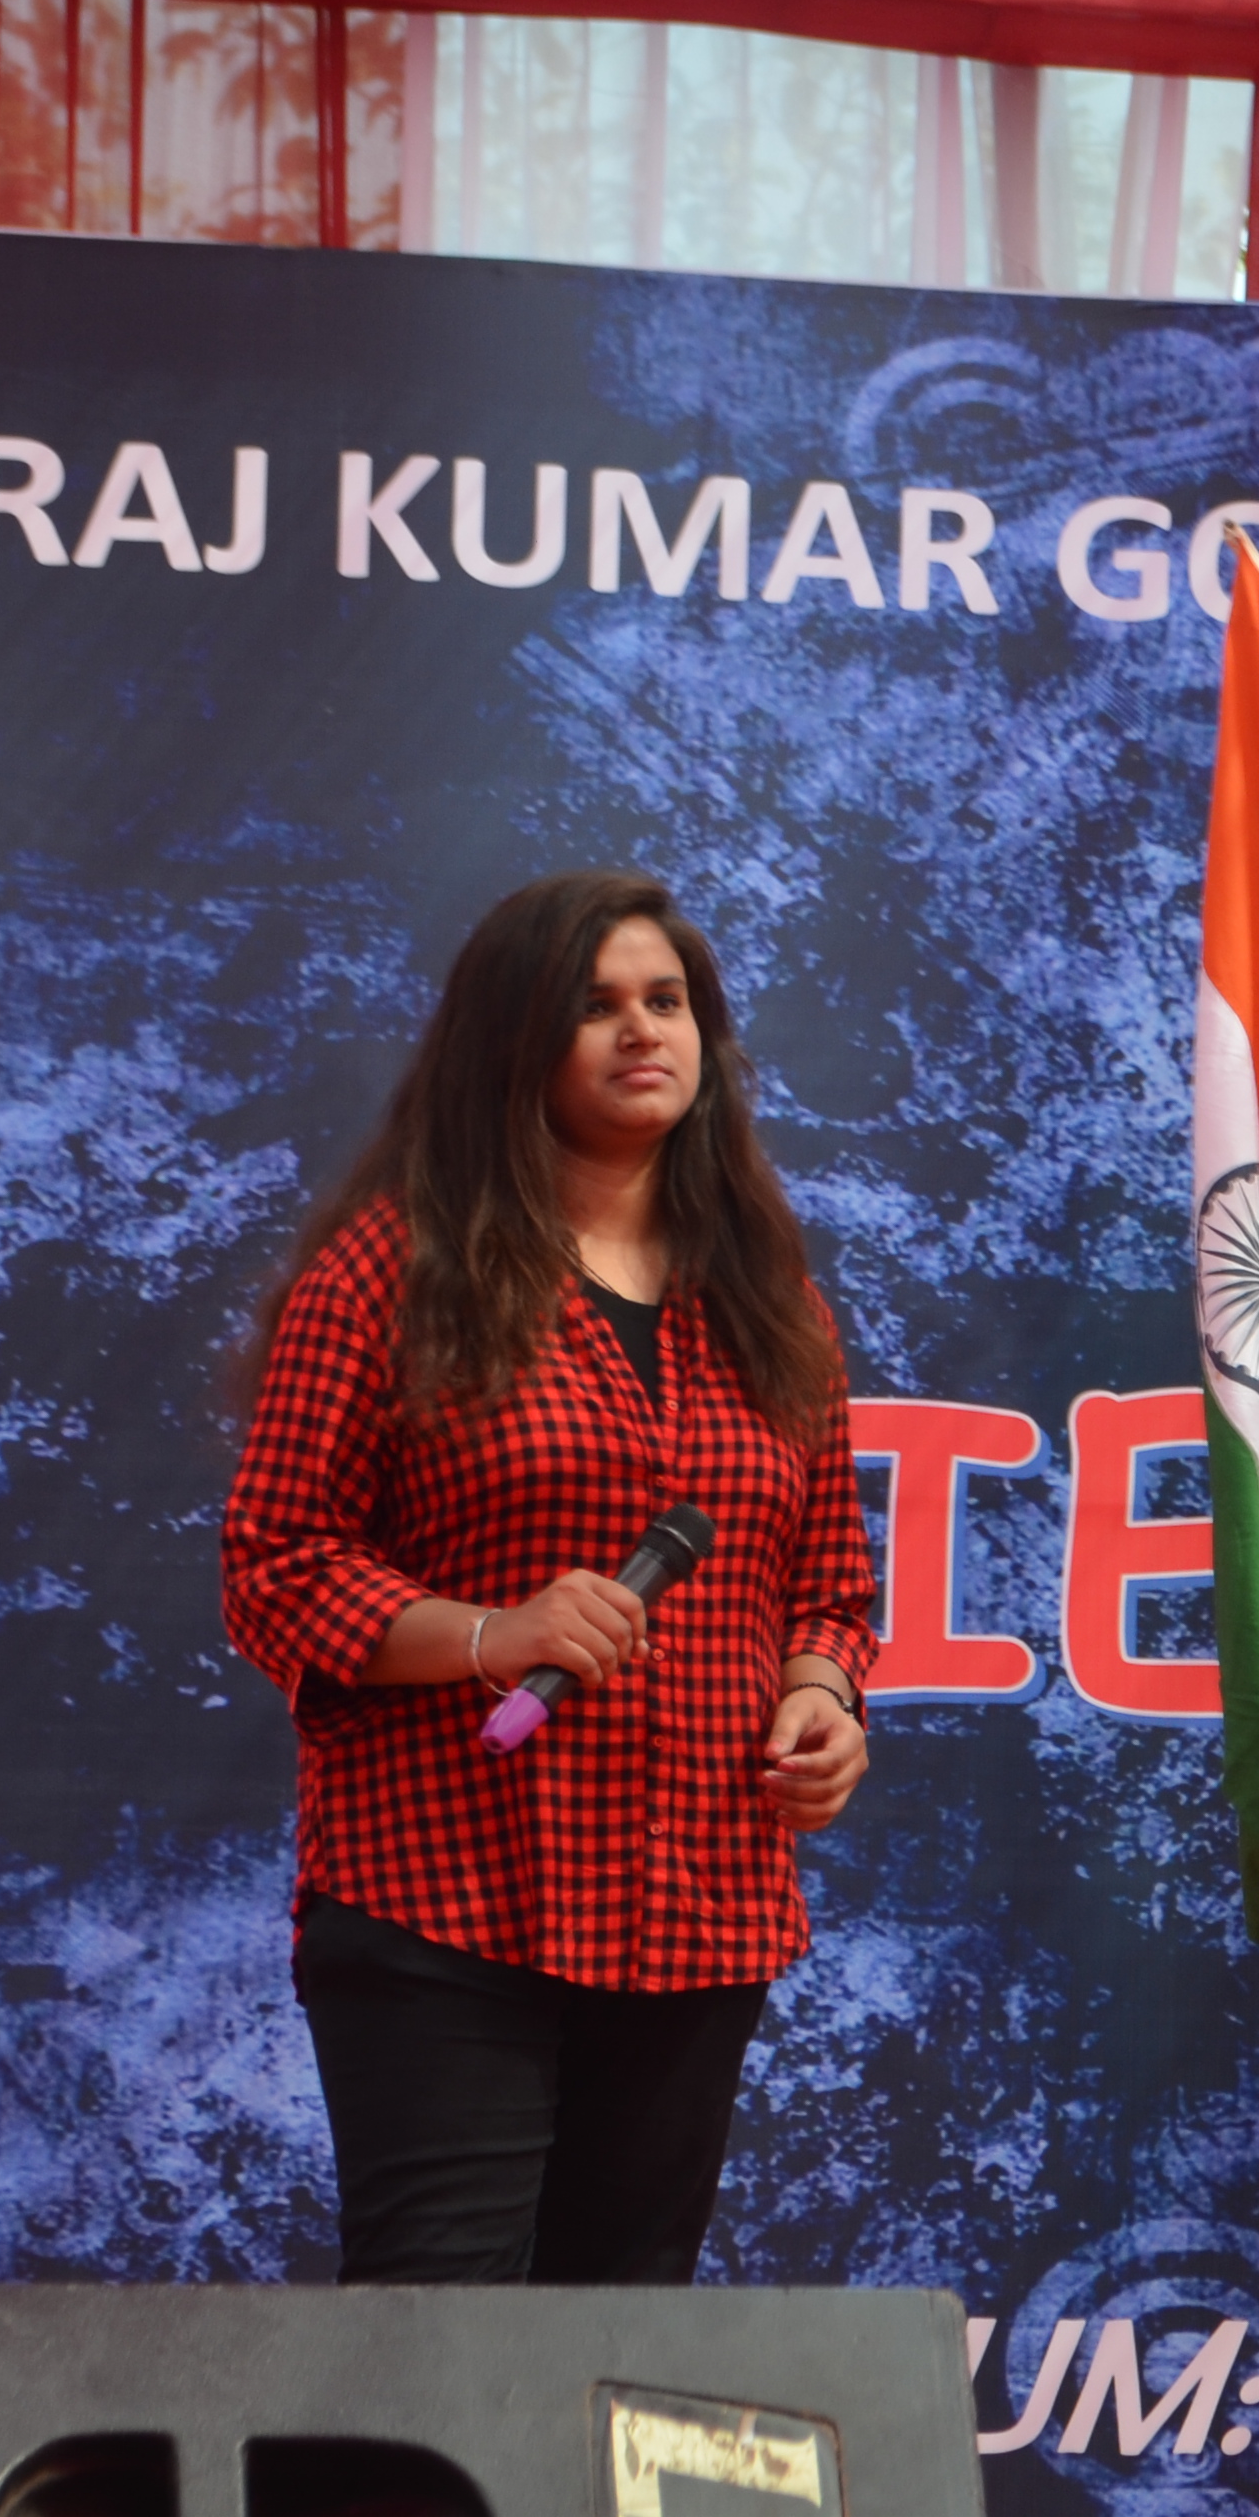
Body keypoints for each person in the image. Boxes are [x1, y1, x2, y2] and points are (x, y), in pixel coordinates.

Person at [223, 869, 873, 2283]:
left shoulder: (774, 1303)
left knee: (618, 2350)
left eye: (667, 1001)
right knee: (442, 2351)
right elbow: (273, 1567)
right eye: (595, 1007)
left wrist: (824, 1697)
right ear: (512, 1042)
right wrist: (488, 1633)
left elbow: (828, 1576)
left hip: (701, 1902)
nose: (643, 1031)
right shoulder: (388, 1274)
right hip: (445, 1894)